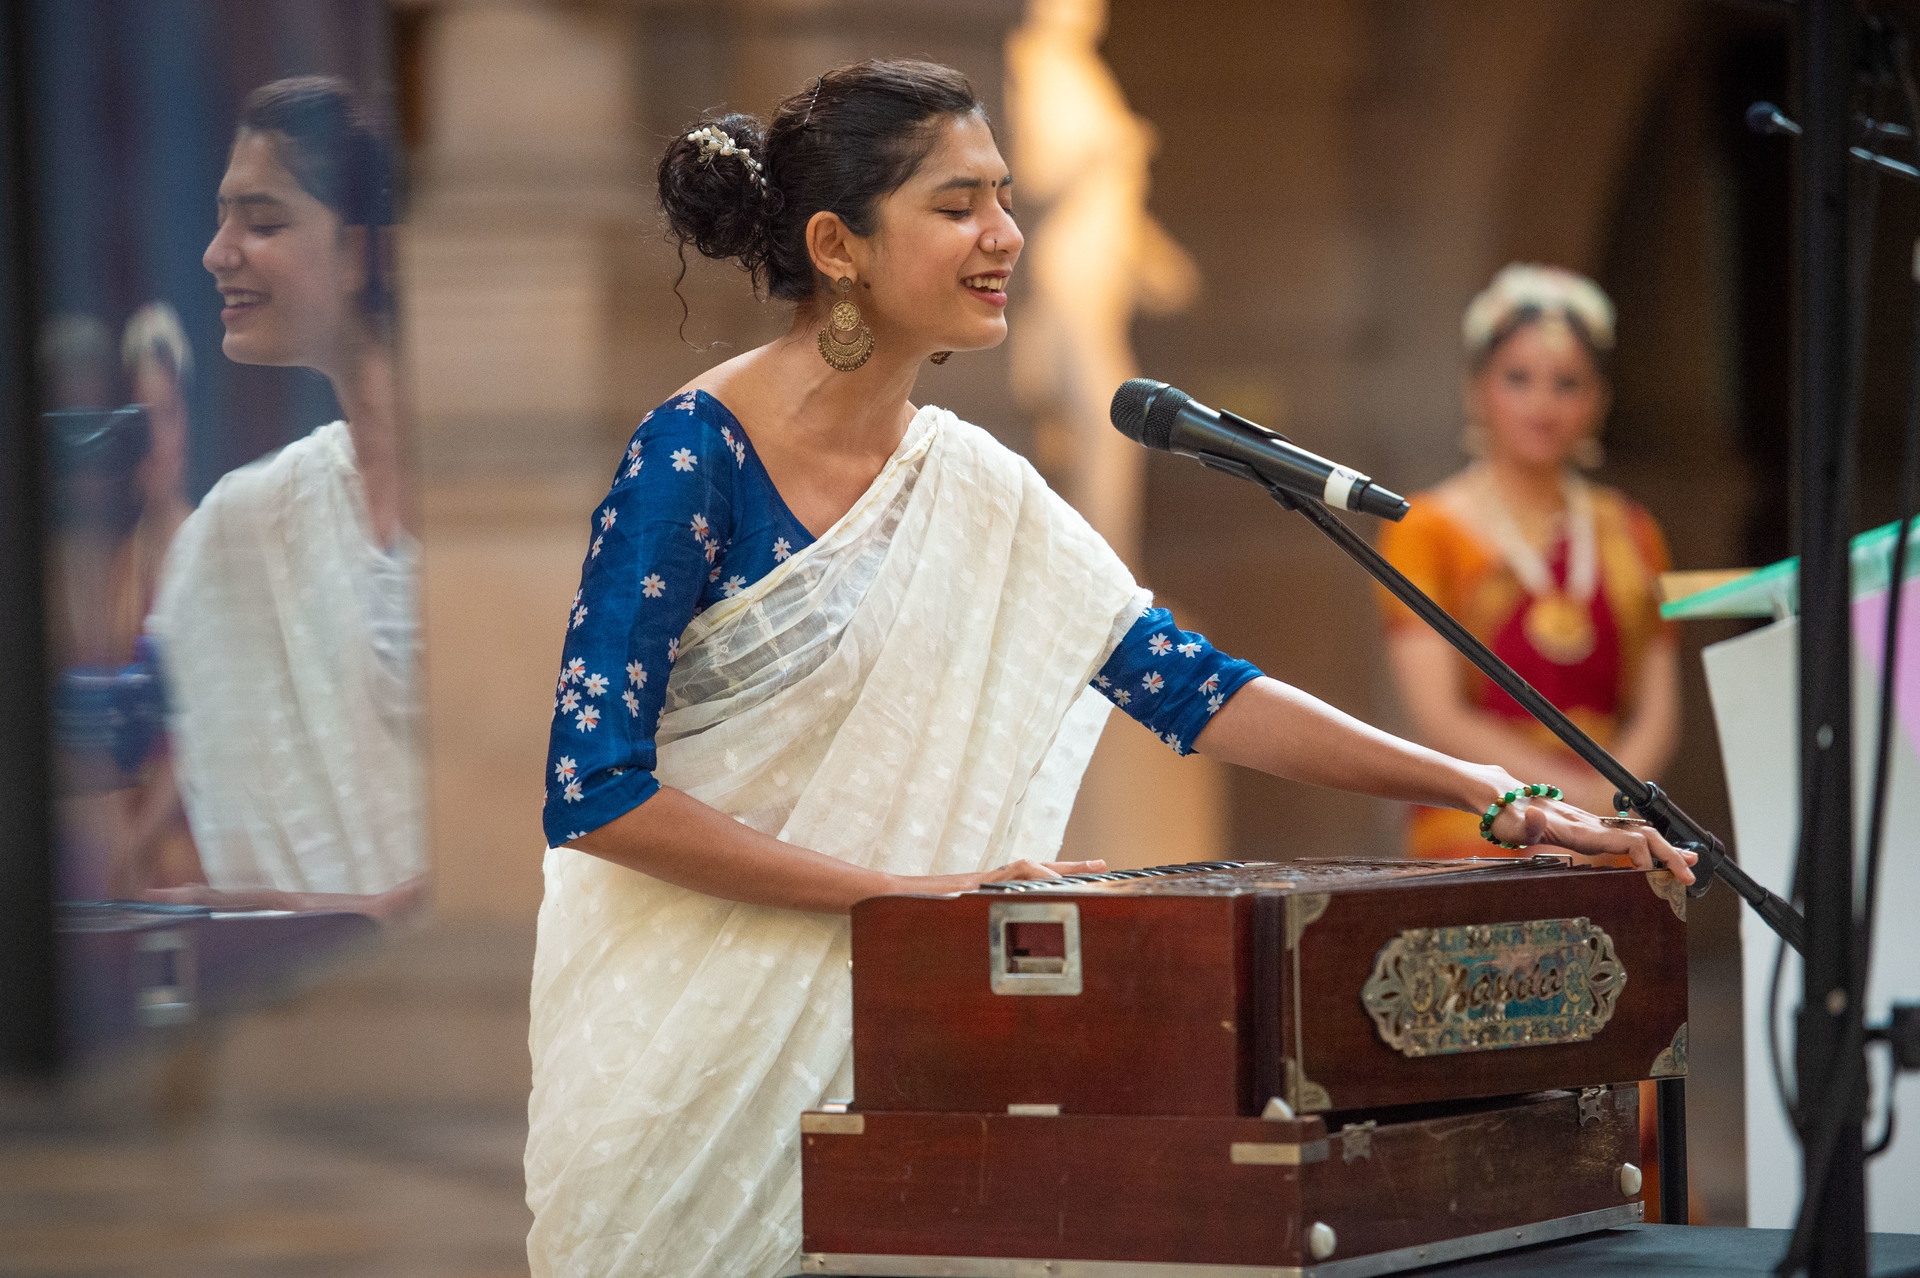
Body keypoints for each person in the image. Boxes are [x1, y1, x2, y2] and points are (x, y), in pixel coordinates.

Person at [524, 62, 1696, 1278]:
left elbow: (1196, 685)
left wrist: (1491, 797)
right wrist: (902, 897)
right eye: (958, 204)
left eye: (1007, 197)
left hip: (908, 1048)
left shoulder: (972, 485)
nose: (1006, 236)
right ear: (838, 245)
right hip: (686, 1059)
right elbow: (595, 792)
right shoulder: (692, 458)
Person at [144, 77, 425, 912]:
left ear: (365, 252)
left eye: (262, 221)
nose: (217, 251)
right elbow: (137, 740)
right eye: (224, 216)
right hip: (327, 1009)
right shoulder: (244, 520)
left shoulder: (503, 500)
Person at [1378, 263, 1681, 859]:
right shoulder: (1428, 529)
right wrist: (1565, 798)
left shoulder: (1634, 532)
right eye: (1518, 378)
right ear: (1476, 390)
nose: (1543, 403)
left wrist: (1607, 798)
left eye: (1567, 383)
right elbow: (1438, 715)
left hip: (1611, 818)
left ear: (1599, 400)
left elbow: (1659, 714)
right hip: (1482, 821)